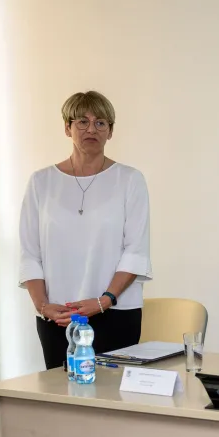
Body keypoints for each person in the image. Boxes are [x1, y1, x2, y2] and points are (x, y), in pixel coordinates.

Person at [19, 91, 152, 370]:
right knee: (63, 401)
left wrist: (104, 301)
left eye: (101, 122)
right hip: (58, 316)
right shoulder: (41, 182)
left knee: (115, 404)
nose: (91, 129)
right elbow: (30, 254)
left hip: (115, 313)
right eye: (82, 121)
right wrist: (42, 306)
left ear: (110, 132)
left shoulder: (129, 180)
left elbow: (135, 250)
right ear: (67, 127)